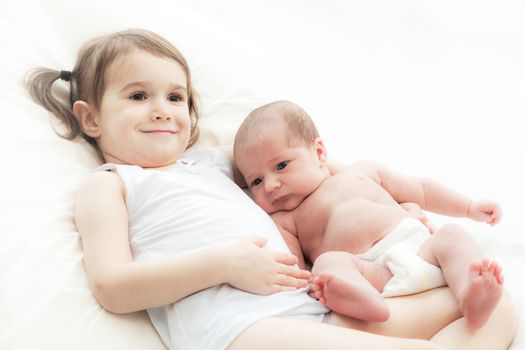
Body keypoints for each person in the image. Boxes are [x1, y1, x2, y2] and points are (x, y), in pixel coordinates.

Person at [25, 29, 516, 350]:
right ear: (90, 117)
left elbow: (318, 179)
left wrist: (395, 207)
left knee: (493, 305)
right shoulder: (111, 185)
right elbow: (112, 287)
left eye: (175, 97)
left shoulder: (214, 164)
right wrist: (224, 264)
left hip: (318, 308)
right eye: (138, 96)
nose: (161, 109)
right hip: (248, 330)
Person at [234, 100, 505, 330]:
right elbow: (296, 269)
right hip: (371, 273)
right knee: (328, 263)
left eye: (281, 166)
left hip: (422, 252)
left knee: (452, 235)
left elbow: (421, 189)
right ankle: (362, 302)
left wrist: (468, 207)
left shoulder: (363, 171)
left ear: (319, 152)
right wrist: (317, 283)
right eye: (256, 181)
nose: (270, 185)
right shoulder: (285, 220)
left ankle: (472, 293)